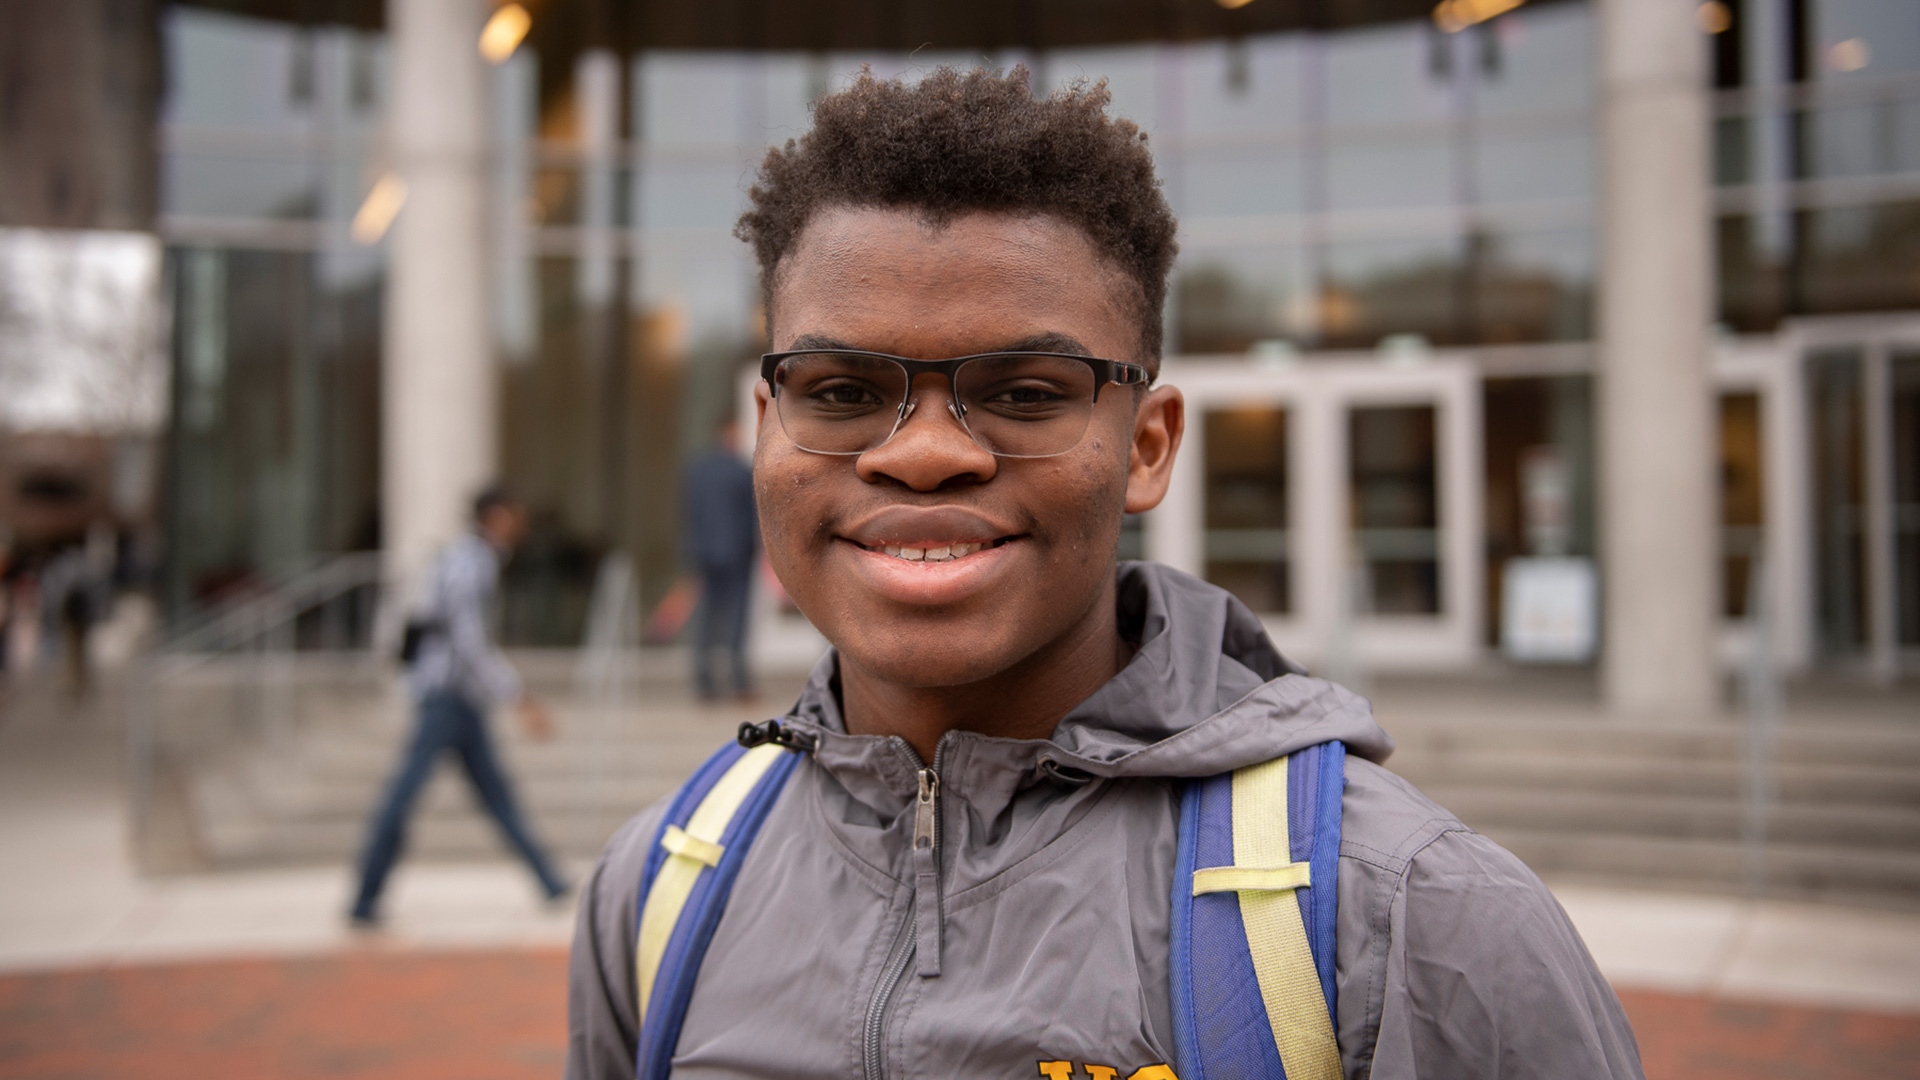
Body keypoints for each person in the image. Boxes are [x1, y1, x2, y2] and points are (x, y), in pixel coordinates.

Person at [567, 68, 1643, 1079]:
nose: (926, 452)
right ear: (765, 431)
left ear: (1148, 447)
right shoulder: (660, 892)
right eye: (842, 391)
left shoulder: (1413, 916)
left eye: (1028, 393)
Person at [350, 486, 569, 925]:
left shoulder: (462, 558)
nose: (521, 527)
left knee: (496, 794)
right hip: (446, 697)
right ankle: (365, 898)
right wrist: (517, 696)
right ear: (496, 516)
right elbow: (469, 641)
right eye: (515, 515)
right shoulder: (473, 563)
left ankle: (550, 880)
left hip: (457, 699)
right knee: (406, 795)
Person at [679, 417, 758, 702]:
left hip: (706, 553)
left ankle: (705, 682)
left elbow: (689, 513)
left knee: (707, 618)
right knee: (735, 619)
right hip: (736, 554)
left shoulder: (698, 470)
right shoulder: (740, 471)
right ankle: (737, 681)